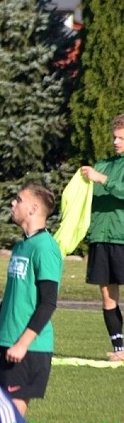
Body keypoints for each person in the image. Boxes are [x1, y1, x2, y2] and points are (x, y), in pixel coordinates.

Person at [0, 183, 62, 417]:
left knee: (8, 422)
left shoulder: (45, 247)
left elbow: (48, 302)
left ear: (32, 208)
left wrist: (23, 344)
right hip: (5, 342)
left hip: (28, 349)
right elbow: (13, 294)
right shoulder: (21, 246)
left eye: (18, 199)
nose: (13, 203)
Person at [79, 113, 124, 361]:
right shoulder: (104, 164)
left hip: (122, 238)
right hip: (101, 238)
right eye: (114, 137)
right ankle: (120, 350)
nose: (116, 142)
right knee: (107, 294)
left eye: (121, 138)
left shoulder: (104, 172)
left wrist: (101, 179)